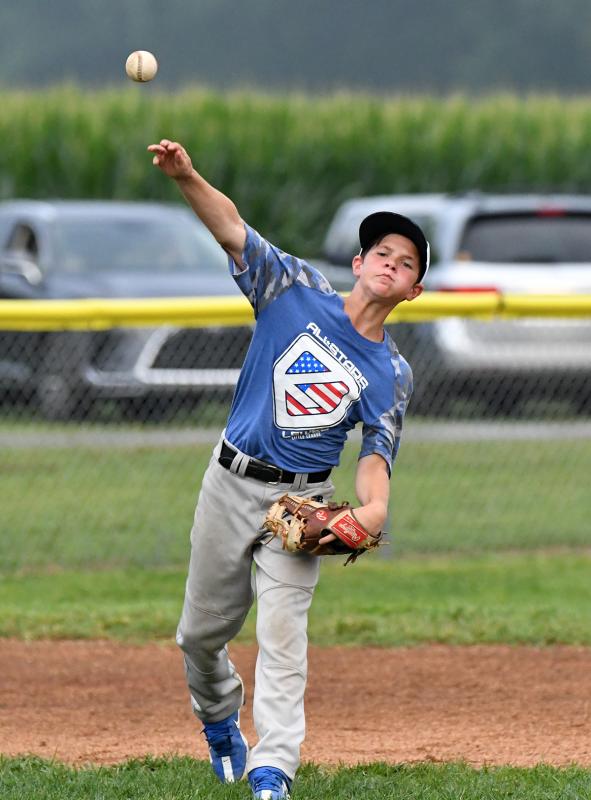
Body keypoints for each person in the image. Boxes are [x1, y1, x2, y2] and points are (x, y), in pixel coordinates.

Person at [147, 138, 429, 800]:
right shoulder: (294, 288)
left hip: (298, 507)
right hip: (229, 482)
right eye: (381, 252)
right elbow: (232, 229)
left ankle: (273, 769)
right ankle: (219, 717)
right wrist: (187, 175)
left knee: (282, 636)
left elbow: (376, 454)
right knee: (199, 635)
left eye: (406, 261)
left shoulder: (389, 371)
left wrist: (374, 509)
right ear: (358, 263)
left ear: (414, 290)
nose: (390, 263)